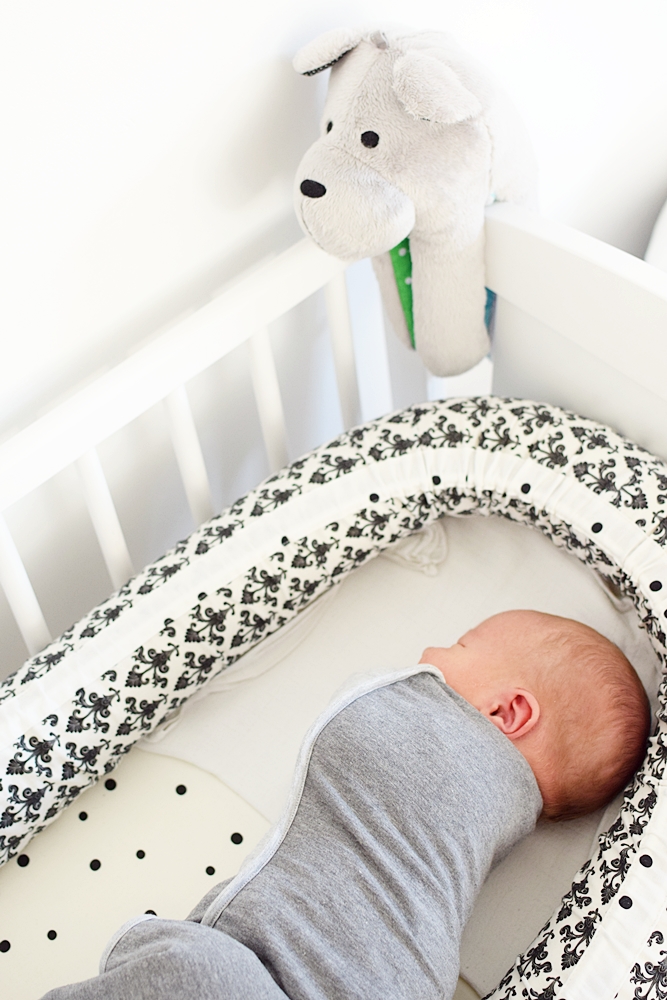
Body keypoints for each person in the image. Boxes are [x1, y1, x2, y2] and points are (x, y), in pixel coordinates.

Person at [42, 610, 650, 1000]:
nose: (429, 653)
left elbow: (365, 723)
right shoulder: (488, 812)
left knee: (195, 972)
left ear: (507, 711)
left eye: (460, 644)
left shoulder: (460, 756)